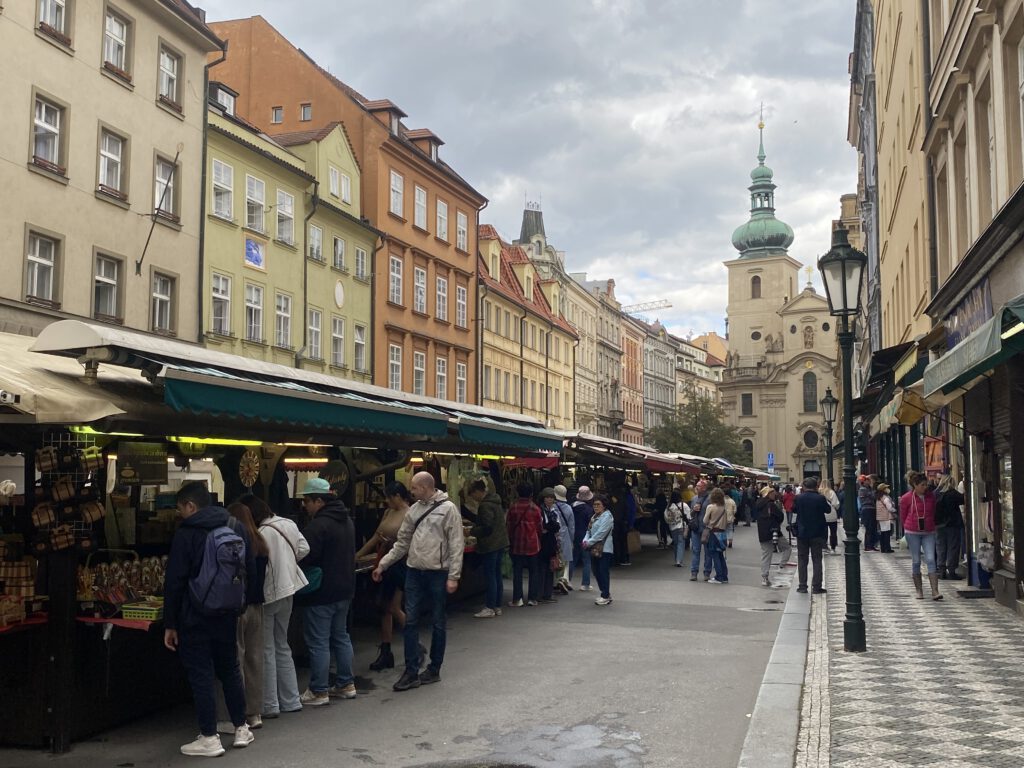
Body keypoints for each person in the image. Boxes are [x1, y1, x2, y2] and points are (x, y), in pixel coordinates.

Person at [163, 482, 253, 757]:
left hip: (195, 613)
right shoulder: (234, 525)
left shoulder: (187, 533)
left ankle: (209, 736)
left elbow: (175, 580)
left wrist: (170, 622)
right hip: (227, 611)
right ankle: (241, 728)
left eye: (180, 509)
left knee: (201, 673)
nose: (180, 514)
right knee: (229, 668)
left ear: (191, 506)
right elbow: (247, 569)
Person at [373, 471, 464, 691]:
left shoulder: (448, 510)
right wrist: (383, 564)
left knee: (437, 621)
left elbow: (456, 543)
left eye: (413, 488)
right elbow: (402, 543)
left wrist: (453, 576)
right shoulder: (413, 511)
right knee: (411, 621)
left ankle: (434, 668)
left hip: (438, 572)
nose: (411, 492)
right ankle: (411, 671)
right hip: (414, 570)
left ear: (424, 487)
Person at [294, 477, 357, 706]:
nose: (305, 506)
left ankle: (319, 690)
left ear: (319, 501)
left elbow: (304, 555)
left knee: (319, 641)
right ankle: (345, 683)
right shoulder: (347, 521)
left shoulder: (318, 526)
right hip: (345, 588)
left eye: (307, 501)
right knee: (341, 637)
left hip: (321, 591)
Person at [251, 495, 308, 719]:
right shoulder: (289, 523)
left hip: (269, 592)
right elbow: (304, 548)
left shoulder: (261, 533)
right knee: (282, 644)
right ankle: (291, 699)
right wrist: (288, 563)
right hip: (290, 588)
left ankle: (270, 704)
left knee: (266, 647)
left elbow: (261, 567)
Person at [214, 500, 268, 733]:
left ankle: (236, 714)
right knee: (254, 659)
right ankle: (254, 712)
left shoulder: (234, 542)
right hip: (257, 606)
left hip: (238, 607)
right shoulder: (261, 542)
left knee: (235, 660)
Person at [354, 482, 412, 669]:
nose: (386, 501)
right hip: (384, 563)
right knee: (383, 608)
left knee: (393, 606)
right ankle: (386, 651)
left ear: (397, 496)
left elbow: (411, 542)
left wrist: (392, 544)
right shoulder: (389, 513)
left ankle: (415, 642)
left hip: (399, 564)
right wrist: (359, 555)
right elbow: (376, 536)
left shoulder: (410, 514)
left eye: (388, 497)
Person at [465, 478, 509, 617]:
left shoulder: (485, 506)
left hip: (490, 545)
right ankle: (497, 606)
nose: (473, 498)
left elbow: (487, 527)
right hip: (500, 543)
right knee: (496, 575)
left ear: (478, 491)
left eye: (472, 494)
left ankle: (490, 606)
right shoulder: (495, 502)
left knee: (491, 576)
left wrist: (471, 531)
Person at [900, 470, 942, 600]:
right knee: (916, 560)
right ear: (915, 485)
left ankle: (935, 591)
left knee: (930, 558)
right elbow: (903, 515)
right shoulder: (906, 498)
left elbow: (934, 511)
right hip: (912, 532)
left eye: (926, 485)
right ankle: (919, 590)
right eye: (922, 485)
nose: (925, 488)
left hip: (928, 531)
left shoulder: (931, 497)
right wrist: (907, 526)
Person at [505, 483, 543, 607]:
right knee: (533, 571)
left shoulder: (513, 507)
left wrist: (510, 539)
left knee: (517, 571)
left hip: (517, 544)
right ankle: (532, 598)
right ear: (531, 494)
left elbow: (509, 526)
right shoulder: (535, 508)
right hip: (532, 544)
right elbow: (539, 527)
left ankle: (518, 598)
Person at [793, 477, 829, 594]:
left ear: (804, 486)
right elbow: (828, 510)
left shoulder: (799, 498)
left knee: (802, 559)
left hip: (802, 532)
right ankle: (816, 587)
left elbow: (793, 510)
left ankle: (802, 586)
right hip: (817, 532)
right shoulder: (820, 498)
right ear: (816, 486)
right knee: (817, 559)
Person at [582, 494, 615, 605]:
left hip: (605, 549)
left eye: (598, 504)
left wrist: (588, 542)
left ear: (604, 505)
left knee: (603, 571)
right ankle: (605, 592)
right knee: (596, 571)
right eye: (594, 504)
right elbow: (588, 531)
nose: (595, 507)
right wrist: (585, 540)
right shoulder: (594, 516)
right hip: (594, 548)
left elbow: (601, 534)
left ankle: (605, 595)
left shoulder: (607, 517)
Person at [756, 486, 791, 586]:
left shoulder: (758, 504)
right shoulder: (771, 505)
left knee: (766, 554)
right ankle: (782, 565)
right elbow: (780, 516)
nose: (774, 494)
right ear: (768, 494)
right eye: (772, 493)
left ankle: (764, 577)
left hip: (762, 532)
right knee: (787, 548)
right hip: (774, 531)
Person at [934, 475, 965, 579]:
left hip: (938, 525)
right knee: (953, 547)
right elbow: (964, 499)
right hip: (953, 524)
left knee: (940, 547)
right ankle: (951, 570)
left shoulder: (936, 494)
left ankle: (941, 570)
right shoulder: (953, 494)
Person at [702, 488, 732, 584]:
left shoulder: (711, 507)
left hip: (713, 533)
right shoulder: (724, 508)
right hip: (722, 533)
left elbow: (705, 521)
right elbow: (728, 521)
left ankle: (719, 577)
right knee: (720, 555)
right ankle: (724, 576)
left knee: (714, 555)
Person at [537, 488, 562, 603]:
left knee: (550, 568)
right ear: (543, 498)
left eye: (552, 497)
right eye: (548, 497)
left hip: (551, 542)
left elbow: (556, 526)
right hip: (543, 543)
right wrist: (550, 527)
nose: (550, 499)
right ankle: (541, 593)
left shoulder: (553, 511)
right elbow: (544, 527)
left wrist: (549, 527)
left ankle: (547, 593)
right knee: (542, 569)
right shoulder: (540, 511)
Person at [569, 486, 595, 591]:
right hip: (585, 537)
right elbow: (591, 525)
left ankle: (568, 581)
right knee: (587, 560)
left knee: (572, 559)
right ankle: (585, 584)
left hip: (573, 536)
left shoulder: (570, 507)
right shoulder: (589, 510)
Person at [552, 485, 575, 594]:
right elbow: (572, 526)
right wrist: (572, 539)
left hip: (554, 535)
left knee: (555, 558)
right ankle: (564, 579)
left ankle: (555, 581)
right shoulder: (569, 508)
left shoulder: (552, 506)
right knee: (565, 560)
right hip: (566, 535)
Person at [688, 480, 713, 581]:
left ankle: (707, 572)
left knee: (708, 552)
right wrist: (694, 510)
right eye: (696, 486)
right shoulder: (694, 498)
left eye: (698, 486)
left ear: (704, 488)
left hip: (706, 529)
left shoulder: (710, 499)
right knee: (695, 551)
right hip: (695, 528)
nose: (696, 488)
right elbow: (691, 514)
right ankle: (694, 572)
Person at [665, 490, 689, 567]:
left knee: (676, 543)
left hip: (672, 527)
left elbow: (666, 517)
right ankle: (679, 561)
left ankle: (676, 559)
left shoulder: (669, 506)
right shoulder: (683, 505)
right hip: (681, 526)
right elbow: (689, 516)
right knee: (681, 543)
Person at [858, 475, 878, 551]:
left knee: (872, 528)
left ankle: (871, 545)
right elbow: (873, 496)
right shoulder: (863, 489)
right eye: (868, 480)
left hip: (871, 509)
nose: (869, 482)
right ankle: (868, 545)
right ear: (864, 481)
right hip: (867, 509)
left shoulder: (868, 488)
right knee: (869, 528)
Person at [875, 483, 896, 554]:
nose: (887, 489)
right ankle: (887, 548)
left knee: (883, 533)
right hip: (886, 517)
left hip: (880, 518)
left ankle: (883, 548)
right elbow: (889, 508)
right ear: (883, 489)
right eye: (886, 488)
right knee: (887, 533)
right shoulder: (885, 498)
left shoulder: (878, 498)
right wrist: (895, 510)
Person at [823, 481, 840, 554]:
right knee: (833, 532)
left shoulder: (819, 492)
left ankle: (824, 546)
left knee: (823, 531)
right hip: (832, 514)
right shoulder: (831, 492)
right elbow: (836, 504)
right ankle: (833, 547)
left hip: (822, 515)